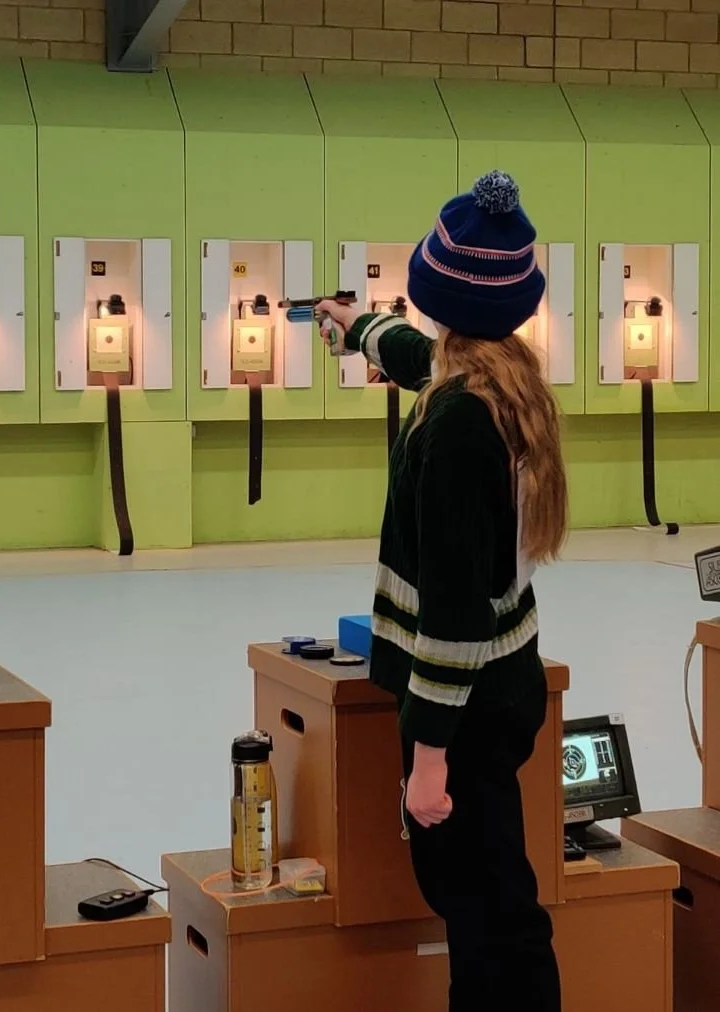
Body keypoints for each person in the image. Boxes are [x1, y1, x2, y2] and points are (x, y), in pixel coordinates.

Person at [317, 169, 566, 1012]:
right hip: (501, 695)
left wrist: (427, 760)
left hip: (462, 713)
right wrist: (359, 329)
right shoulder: (503, 385)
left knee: (494, 920)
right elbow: (424, 358)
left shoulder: (457, 425)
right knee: (488, 909)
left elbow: (455, 618)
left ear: (437, 291)